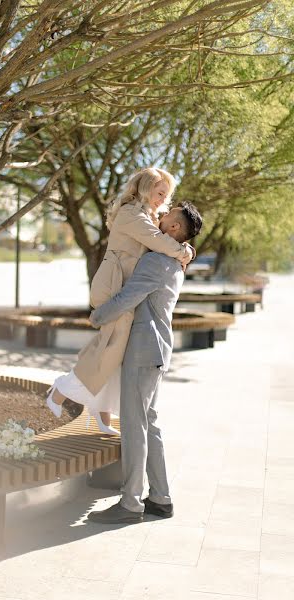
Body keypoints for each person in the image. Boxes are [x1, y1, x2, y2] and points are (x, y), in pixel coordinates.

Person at [46, 168, 195, 434]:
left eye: (166, 196)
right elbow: (158, 241)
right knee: (109, 349)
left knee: (116, 353)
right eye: (160, 193)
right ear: (146, 188)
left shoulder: (149, 215)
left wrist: (186, 249)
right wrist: (184, 252)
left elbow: (170, 234)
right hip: (112, 287)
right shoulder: (131, 214)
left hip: (123, 288)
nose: (163, 200)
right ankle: (61, 390)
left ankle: (101, 412)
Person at [87, 202, 203, 524]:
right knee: (148, 422)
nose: (161, 216)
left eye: (167, 215)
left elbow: (129, 298)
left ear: (175, 229)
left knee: (135, 425)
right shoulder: (175, 262)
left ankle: (131, 504)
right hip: (156, 350)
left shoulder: (156, 260)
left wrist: (98, 315)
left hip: (143, 351)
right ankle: (161, 498)